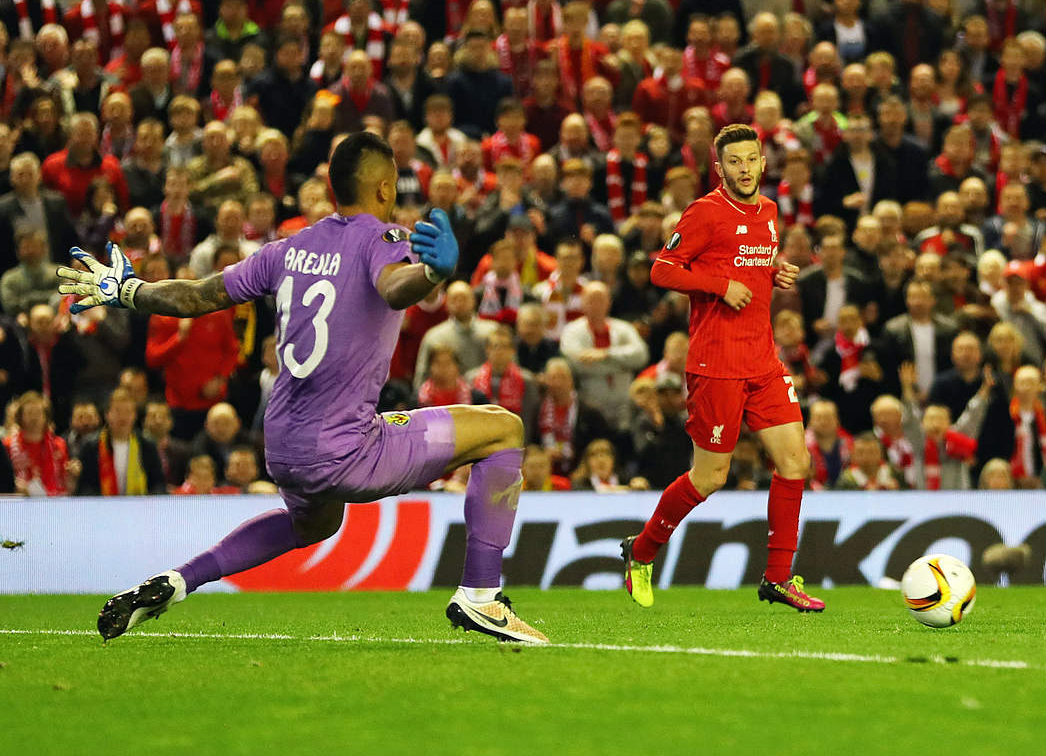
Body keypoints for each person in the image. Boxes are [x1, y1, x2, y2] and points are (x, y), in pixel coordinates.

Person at [58, 132, 547, 644]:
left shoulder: (286, 249)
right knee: (503, 428)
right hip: (348, 449)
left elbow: (198, 296)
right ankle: (481, 596)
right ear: (384, 189)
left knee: (312, 525)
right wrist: (432, 272)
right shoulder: (385, 242)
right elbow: (393, 287)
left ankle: (179, 580)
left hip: (285, 446)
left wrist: (129, 290)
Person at [620, 123, 822, 613]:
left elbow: (750, 264)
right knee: (710, 477)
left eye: (752, 159)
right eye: (735, 162)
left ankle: (777, 578)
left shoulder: (770, 212)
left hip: (764, 360)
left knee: (796, 462)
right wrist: (718, 285)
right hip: (717, 365)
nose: (745, 168)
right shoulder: (705, 212)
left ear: (763, 163)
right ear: (719, 168)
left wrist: (774, 273)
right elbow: (661, 268)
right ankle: (641, 552)